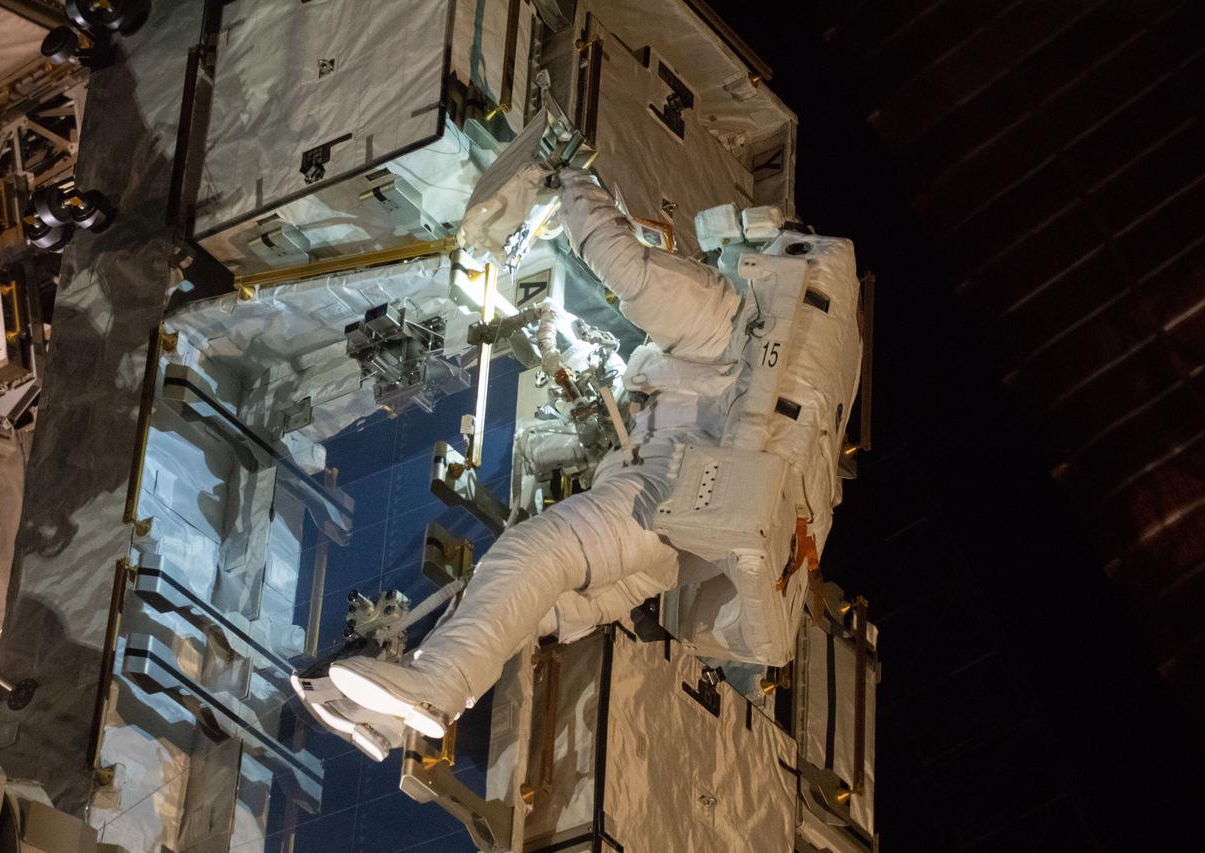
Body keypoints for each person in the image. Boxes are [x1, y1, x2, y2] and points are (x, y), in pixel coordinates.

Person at [329, 167, 860, 739]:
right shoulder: (766, 376)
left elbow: (625, 264)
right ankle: (389, 715)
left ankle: (438, 687)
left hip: (669, 490)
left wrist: (572, 181)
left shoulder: (725, 317)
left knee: (532, 553)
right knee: (532, 602)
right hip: (688, 542)